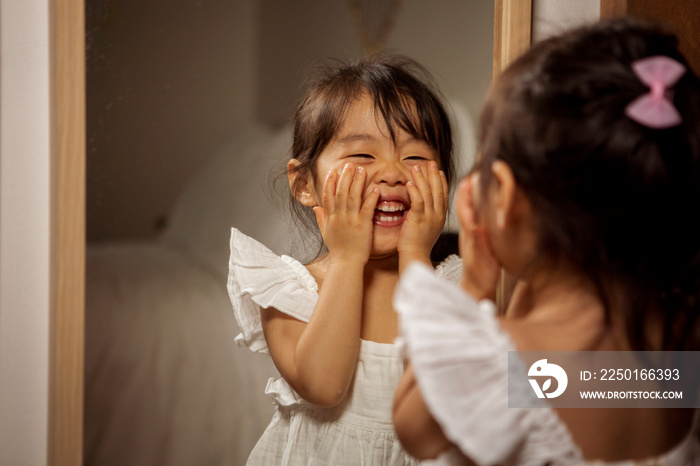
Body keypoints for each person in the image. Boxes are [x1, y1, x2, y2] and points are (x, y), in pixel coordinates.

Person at [392, 18, 700, 465]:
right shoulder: (676, 355)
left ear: (504, 195)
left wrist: (476, 285)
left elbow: (412, 428)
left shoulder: (496, 362)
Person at [227, 55, 462, 465]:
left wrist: (414, 254)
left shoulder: (457, 284)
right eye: (364, 157)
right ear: (304, 185)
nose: (392, 174)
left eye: (415, 158)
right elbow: (324, 385)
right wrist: (348, 259)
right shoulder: (289, 292)